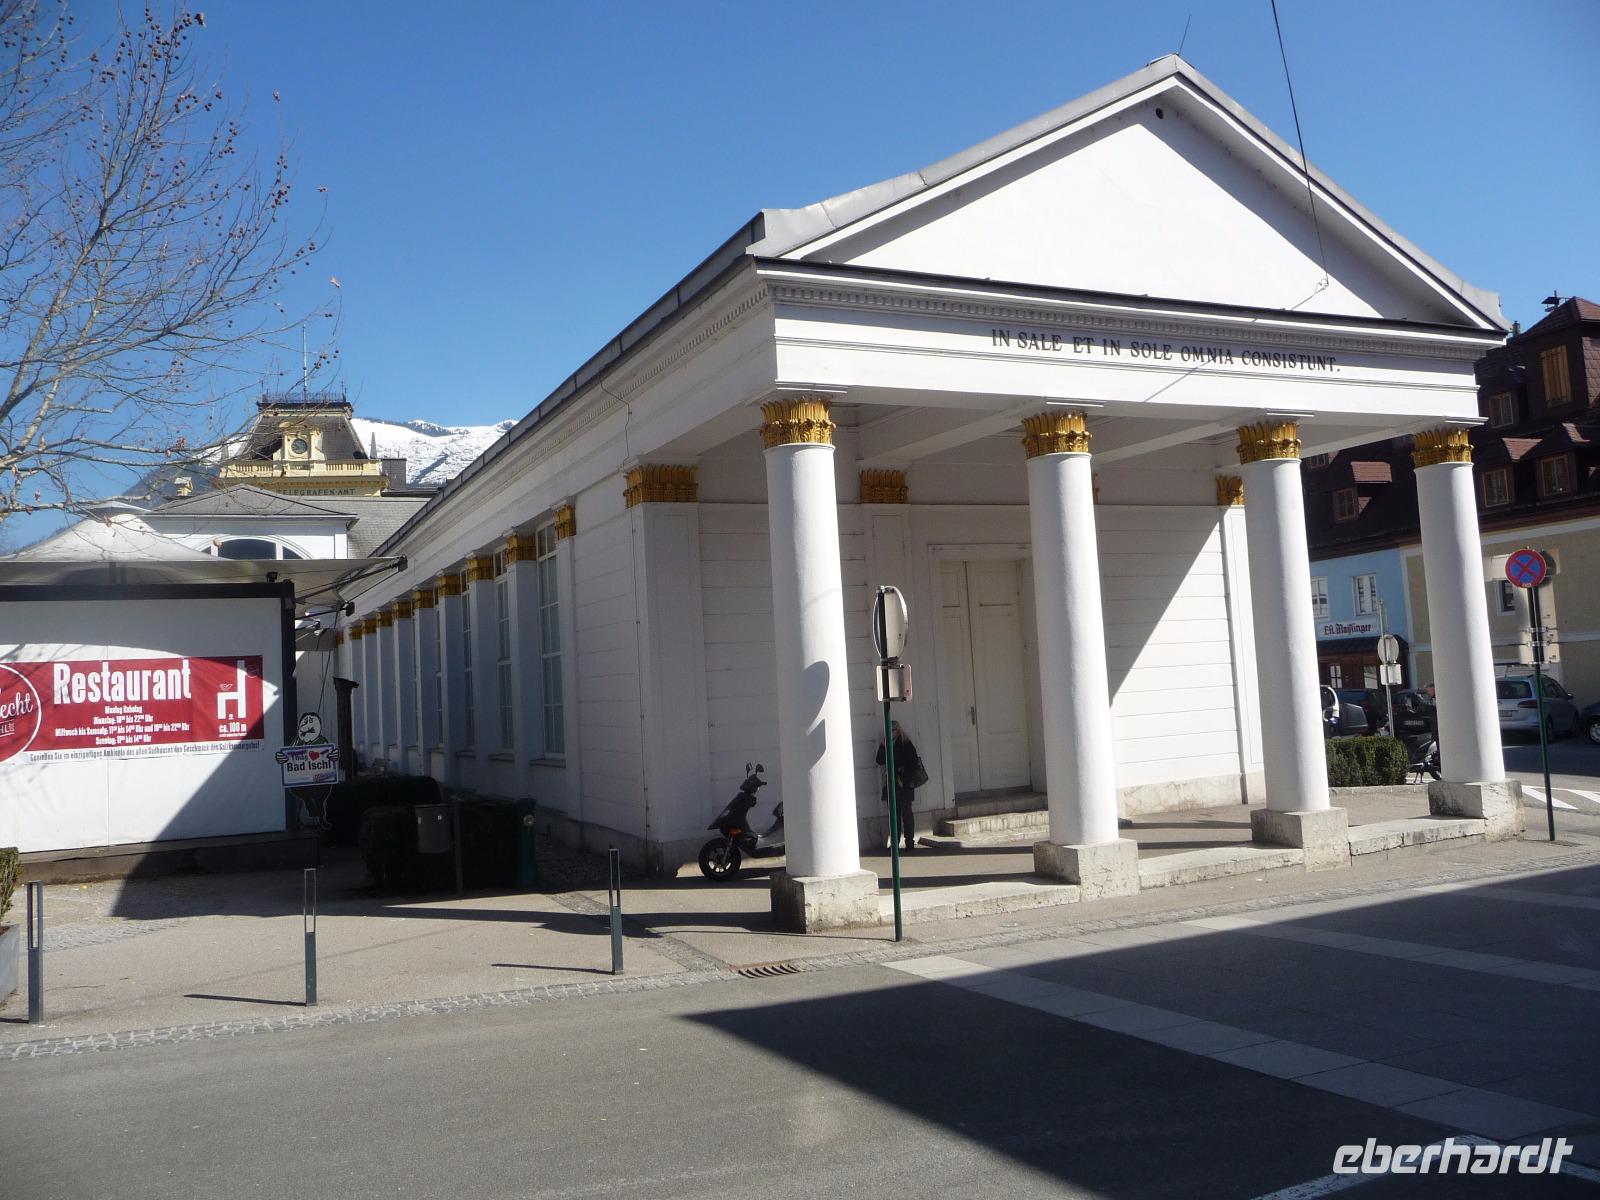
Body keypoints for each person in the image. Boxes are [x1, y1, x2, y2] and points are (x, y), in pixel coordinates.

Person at [876, 721, 923, 853]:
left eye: (893, 730)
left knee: (906, 813)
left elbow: (913, 762)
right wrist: (883, 745)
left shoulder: (905, 744)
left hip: (904, 784)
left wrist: (902, 770)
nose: (890, 733)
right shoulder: (886, 744)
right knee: (894, 815)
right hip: (891, 783)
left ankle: (909, 842)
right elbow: (879, 760)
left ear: (898, 730)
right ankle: (895, 843)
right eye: (888, 731)